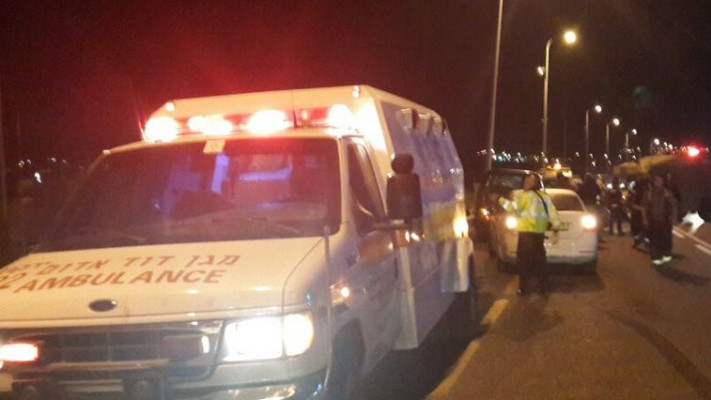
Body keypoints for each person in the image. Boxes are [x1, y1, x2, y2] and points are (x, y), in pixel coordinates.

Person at [499, 174, 560, 295]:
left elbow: (512, 207)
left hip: (526, 235)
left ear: (533, 183)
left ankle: (524, 289)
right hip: (539, 235)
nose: (525, 184)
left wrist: (499, 200)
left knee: (524, 263)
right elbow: (553, 214)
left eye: (527, 182)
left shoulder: (525, 196)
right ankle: (544, 288)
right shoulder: (544, 197)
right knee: (540, 262)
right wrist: (556, 228)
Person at [642, 173, 677, 265]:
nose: (657, 182)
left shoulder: (667, 193)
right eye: (656, 180)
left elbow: (674, 206)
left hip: (665, 220)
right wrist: (645, 219)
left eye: (659, 180)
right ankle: (656, 257)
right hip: (653, 221)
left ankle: (666, 255)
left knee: (666, 239)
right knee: (655, 240)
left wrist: (674, 218)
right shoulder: (649, 193)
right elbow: (644, 207)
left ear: (663, 181)